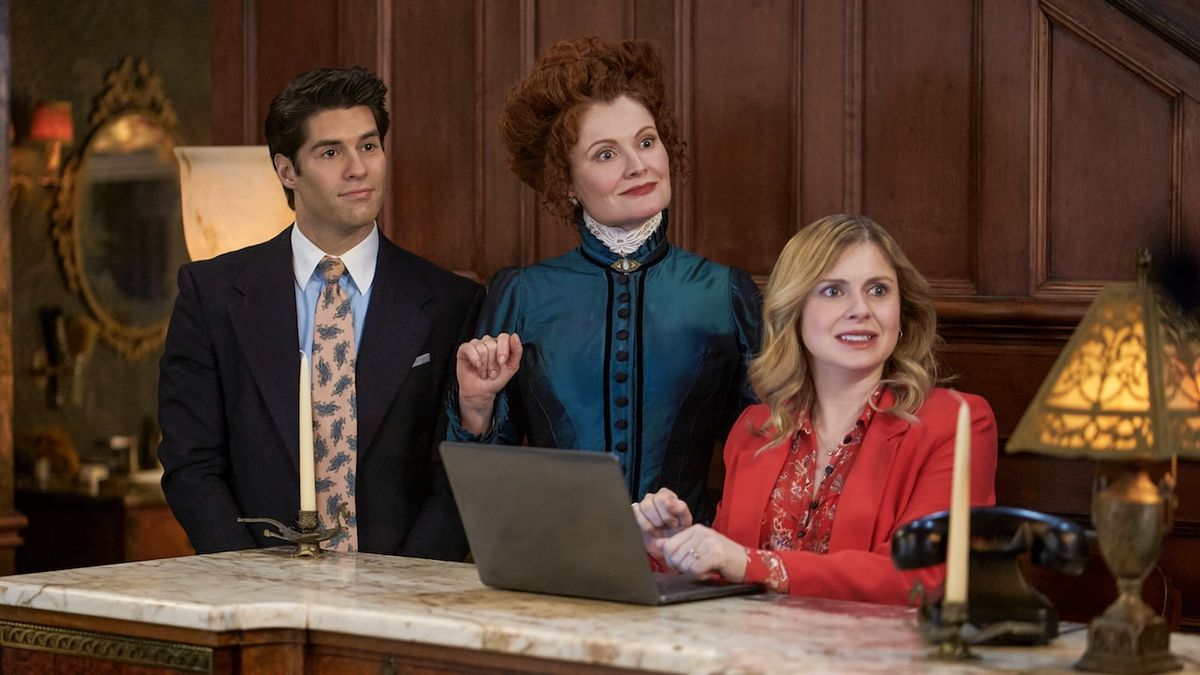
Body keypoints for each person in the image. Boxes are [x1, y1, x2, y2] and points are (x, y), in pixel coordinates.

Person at [158, 67, 484, 558]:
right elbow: (191, 464)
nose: (358, 168)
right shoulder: (212, 295)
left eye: (368, 146)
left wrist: (407, 584)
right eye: (331, 152)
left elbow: (456, 474)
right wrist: (247, 577)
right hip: (253, 583)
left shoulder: (451, 303)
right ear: (287, 171)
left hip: (403, 588)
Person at [448, 37, 761, 520]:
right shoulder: (522, 295)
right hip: (557, 559)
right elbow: (482, 485)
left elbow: (766, 457)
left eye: (646, 142)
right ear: (566, 182)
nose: (638, 166)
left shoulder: (724, 294)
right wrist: (475, 404)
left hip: (688, 556)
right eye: (606, 154)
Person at [633, 214, 998, 604]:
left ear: (902, 312)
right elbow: (731, 575)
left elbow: (923, 574)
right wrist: (675, 551)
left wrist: (753, 564)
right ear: (795, 311)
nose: (861, 309)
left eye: (878, 290)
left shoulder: (957, 421)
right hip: (751, 641)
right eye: (833, 291)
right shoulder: (756, 427)